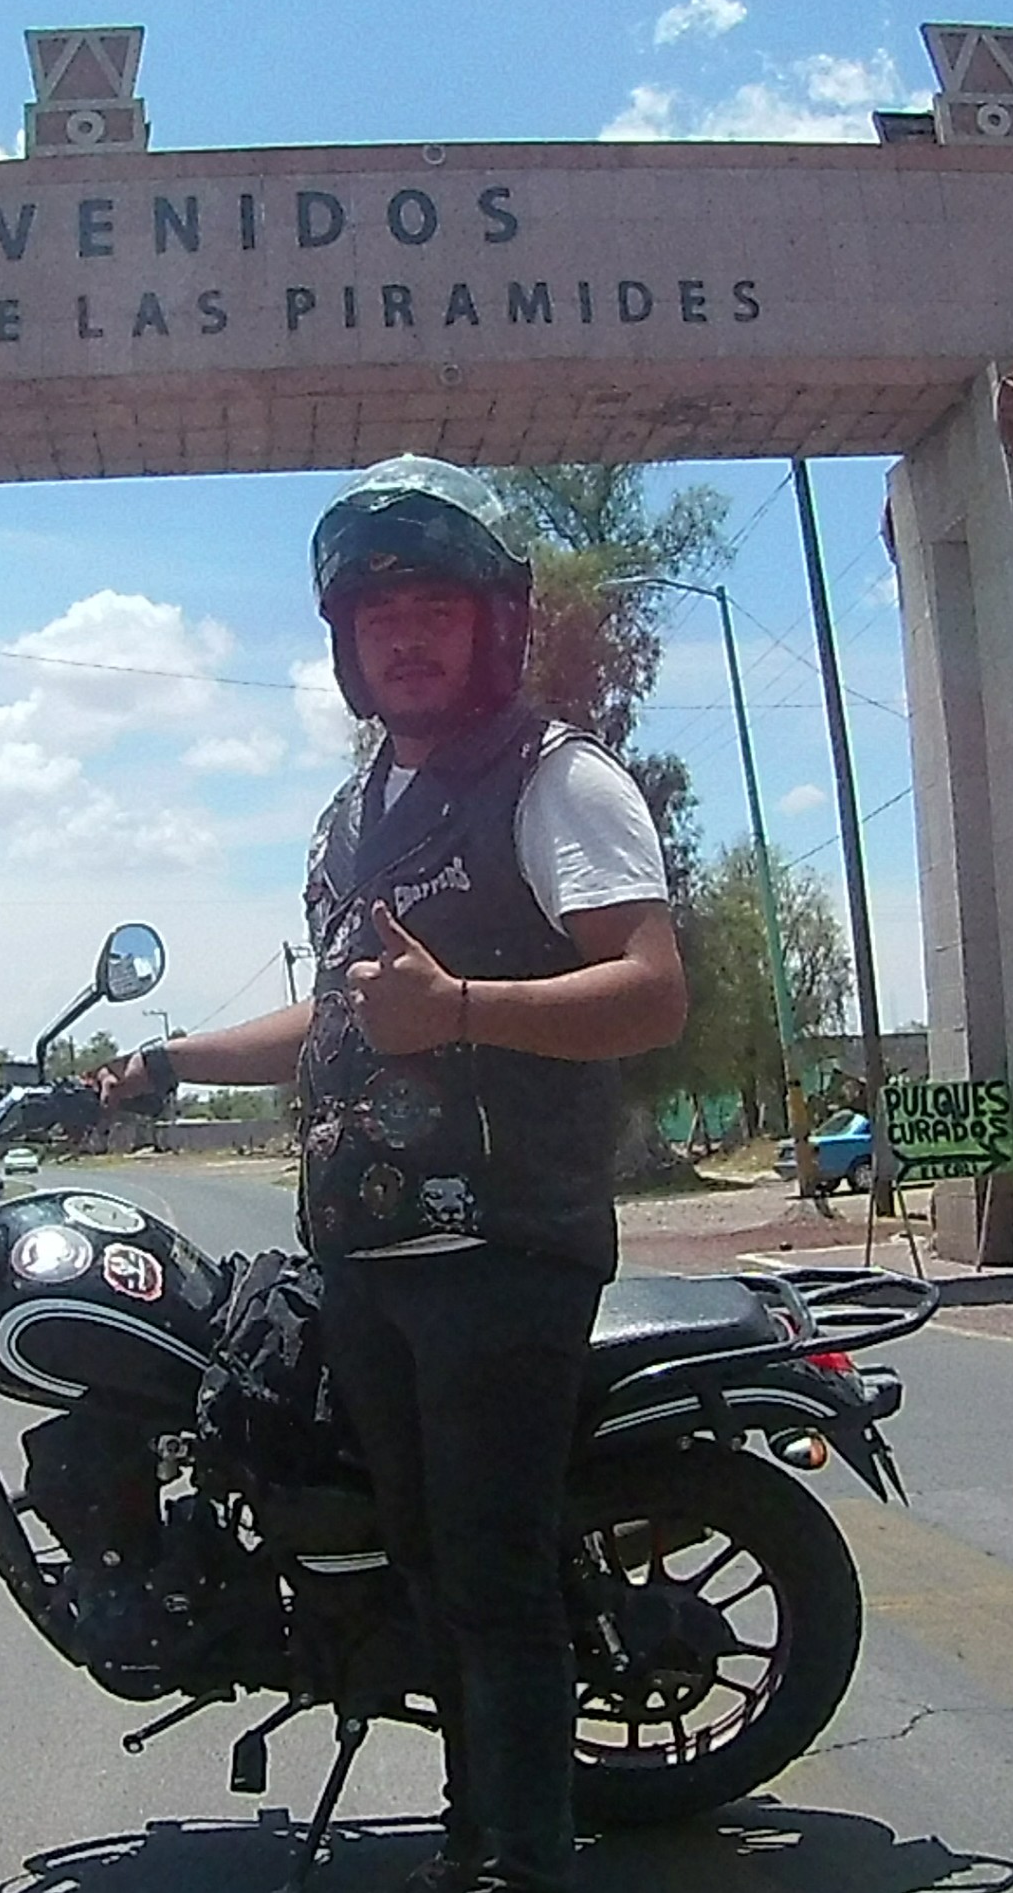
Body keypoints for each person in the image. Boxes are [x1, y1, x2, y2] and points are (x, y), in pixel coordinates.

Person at [102, 456, 688, 1893]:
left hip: (504, 1251)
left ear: (493, 622)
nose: (404, 635)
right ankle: (470, 1830)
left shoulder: (559, 781)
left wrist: (470, 1011)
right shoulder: (357, 812)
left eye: (432, 605)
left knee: (493, 1582)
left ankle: (518, 1864)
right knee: (424, 1569)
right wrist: (170, 1063)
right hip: (370, 1258)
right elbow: (350, 1014)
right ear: (345, 646)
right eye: (377, 615)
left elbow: (650, 989)